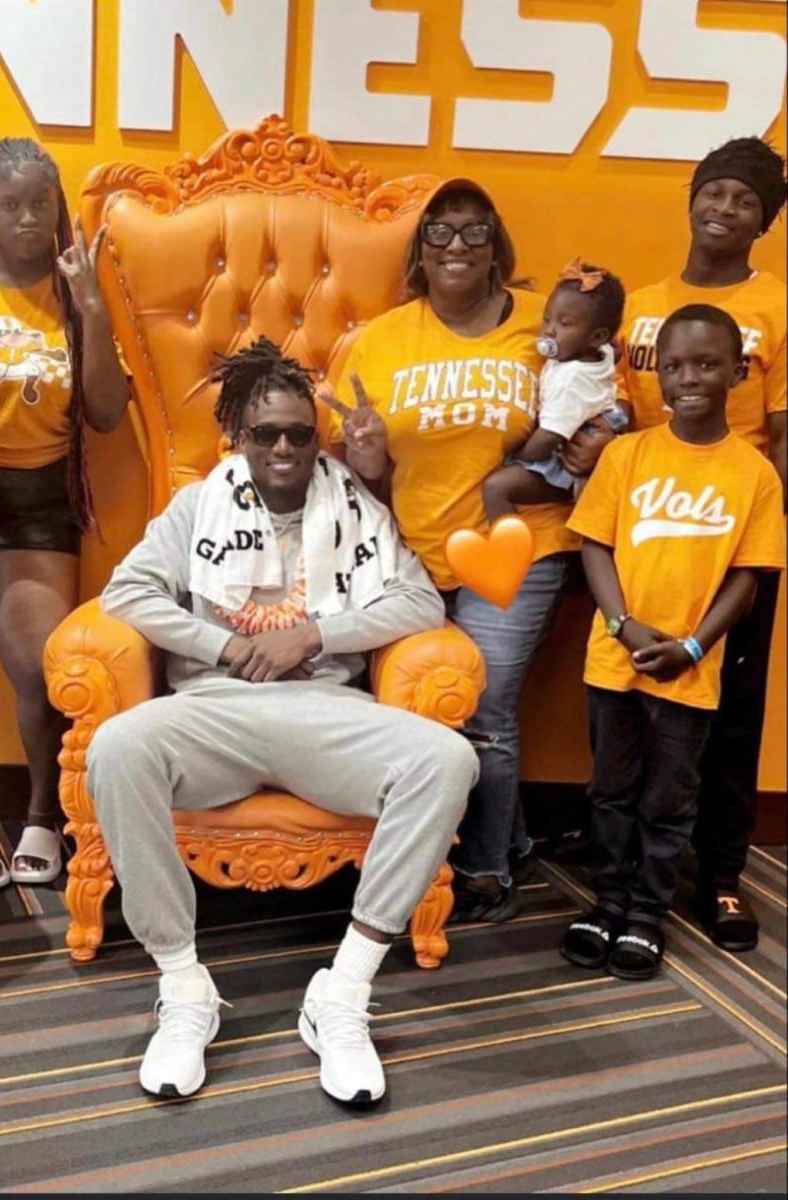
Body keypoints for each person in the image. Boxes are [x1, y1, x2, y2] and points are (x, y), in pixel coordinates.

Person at [85, 338, 479, 1104]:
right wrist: (226, 646)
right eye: (265, 434)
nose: (284, 449)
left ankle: (344, 991)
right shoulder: (198, 504)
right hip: (214, 708)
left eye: (300, 433)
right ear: (238, 435)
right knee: (117, 745)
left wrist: (314, 635)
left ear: (317, 436)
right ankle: (185, 987)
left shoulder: (356, 505)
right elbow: (127, 594)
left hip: (326, 710)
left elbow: (420, 603)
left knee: (449, 761)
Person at [322, 178, 613, 923]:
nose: (457, 246)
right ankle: (502, 839)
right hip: (413, 551)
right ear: (420, 252)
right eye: (440, 233)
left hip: (520, 544)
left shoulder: (541, 332)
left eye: (474, 232)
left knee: (485, 710)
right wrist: (364, 455)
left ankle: (482, 868)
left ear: (497, 248)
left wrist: (599, 439)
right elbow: (368, 475)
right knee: (420, 708)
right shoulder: (384, 338)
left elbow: (602, 402)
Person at [561, 305, 784, 980]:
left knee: (669, 798)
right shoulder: (627, 456)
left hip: (689, 669)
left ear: (738, 372)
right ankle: (607, 902)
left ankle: (646, 915)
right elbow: (595, 547)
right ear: (657, 372)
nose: (689, 379)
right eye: (676, 365)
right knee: (610, 790)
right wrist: (624, 626)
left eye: (708, 364)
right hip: (616, 659)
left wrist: (691, 647)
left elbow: (748, 578)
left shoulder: (753, 473)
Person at [0, 139, 129, 894]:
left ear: (59, 211)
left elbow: (108, 416)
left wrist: (89, 306)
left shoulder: (74, 295)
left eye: (40, 204)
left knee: (37, 670)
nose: (26, 218)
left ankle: (40, 817)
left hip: (37, 501)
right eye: (10, 204)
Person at [617, 137, 787, 951]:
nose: (724, 209)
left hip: (734, 527)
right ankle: (629, 859)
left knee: (729, 706)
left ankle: (719, 873)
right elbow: (615, 412)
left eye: (744, 201)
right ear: (690, 199)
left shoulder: (777, 304)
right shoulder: (642, 302)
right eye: (714, 192)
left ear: (764, 223)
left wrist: (765, 538)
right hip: (642, 518)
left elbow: (782, 434)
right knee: (630, 694)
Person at [483, 260, 626, 522]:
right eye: (547, 318)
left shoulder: (570, 381)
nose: (549, 329)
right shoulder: (597, 351)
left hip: (567, 459)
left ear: (596, 336)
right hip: (592, 422)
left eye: (564, 324)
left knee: (496, 487)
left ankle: (507, 549)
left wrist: (514, 455)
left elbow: (548, 438)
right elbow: (613, 350)